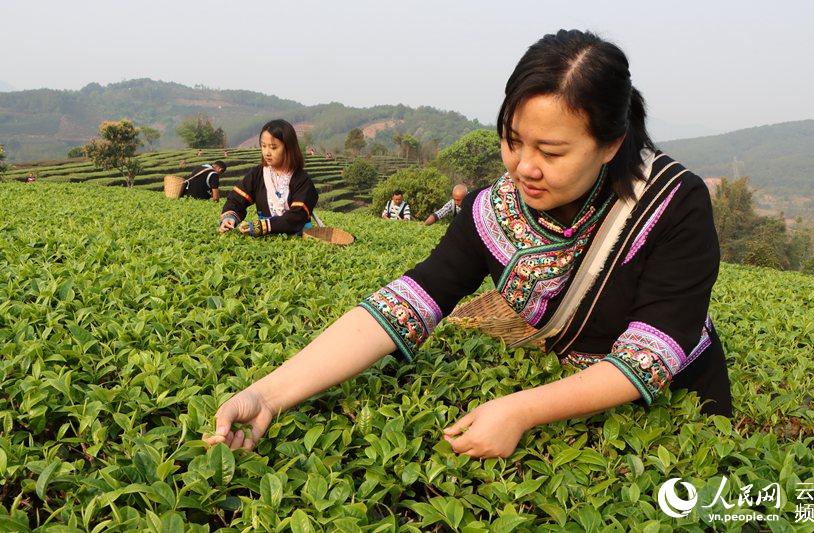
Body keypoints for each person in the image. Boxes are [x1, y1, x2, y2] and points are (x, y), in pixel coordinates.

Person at [203, 30, 732, 458]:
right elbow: (405, 302)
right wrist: (268, 394)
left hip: (677, 405)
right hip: (568, 404)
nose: (525, 167)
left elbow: (653, 352)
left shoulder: (671, 203)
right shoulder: (490, 211)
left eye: (551, 151)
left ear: (611, 144)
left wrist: (521, 410)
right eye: (513, 140)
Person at [218, 119, 318, 237]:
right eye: (264, 146)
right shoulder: (257, 174)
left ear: (288, 148)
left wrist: (263, 226)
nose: (267, 153)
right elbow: (236, 200)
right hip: (266, 238)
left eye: (273, 147)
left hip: (298, 238)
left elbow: (297, 216)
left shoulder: (302, 180)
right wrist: (230, 218)